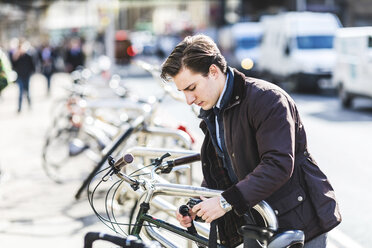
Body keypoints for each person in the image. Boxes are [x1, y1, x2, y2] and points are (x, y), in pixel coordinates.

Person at [160, 34, 341, 248]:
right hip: (257, 220)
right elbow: (223, 168)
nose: (188, 100)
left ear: (213, 71)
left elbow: (278, 165)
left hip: (298, 223)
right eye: (182, 92)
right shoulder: (214, 109)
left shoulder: (268, 99)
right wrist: (198, 207)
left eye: (191, 88)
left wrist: (225, 201)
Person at [10, 39, 35, 113]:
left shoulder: (28, 56)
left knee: (27, 92)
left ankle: (30, 105)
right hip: (20, 76)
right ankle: (19, 108)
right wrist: (15, 57)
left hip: (27, 76)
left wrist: (30, 73)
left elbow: (32, 66)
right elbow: (13, 65)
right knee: (20, 92)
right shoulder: (17, 56)